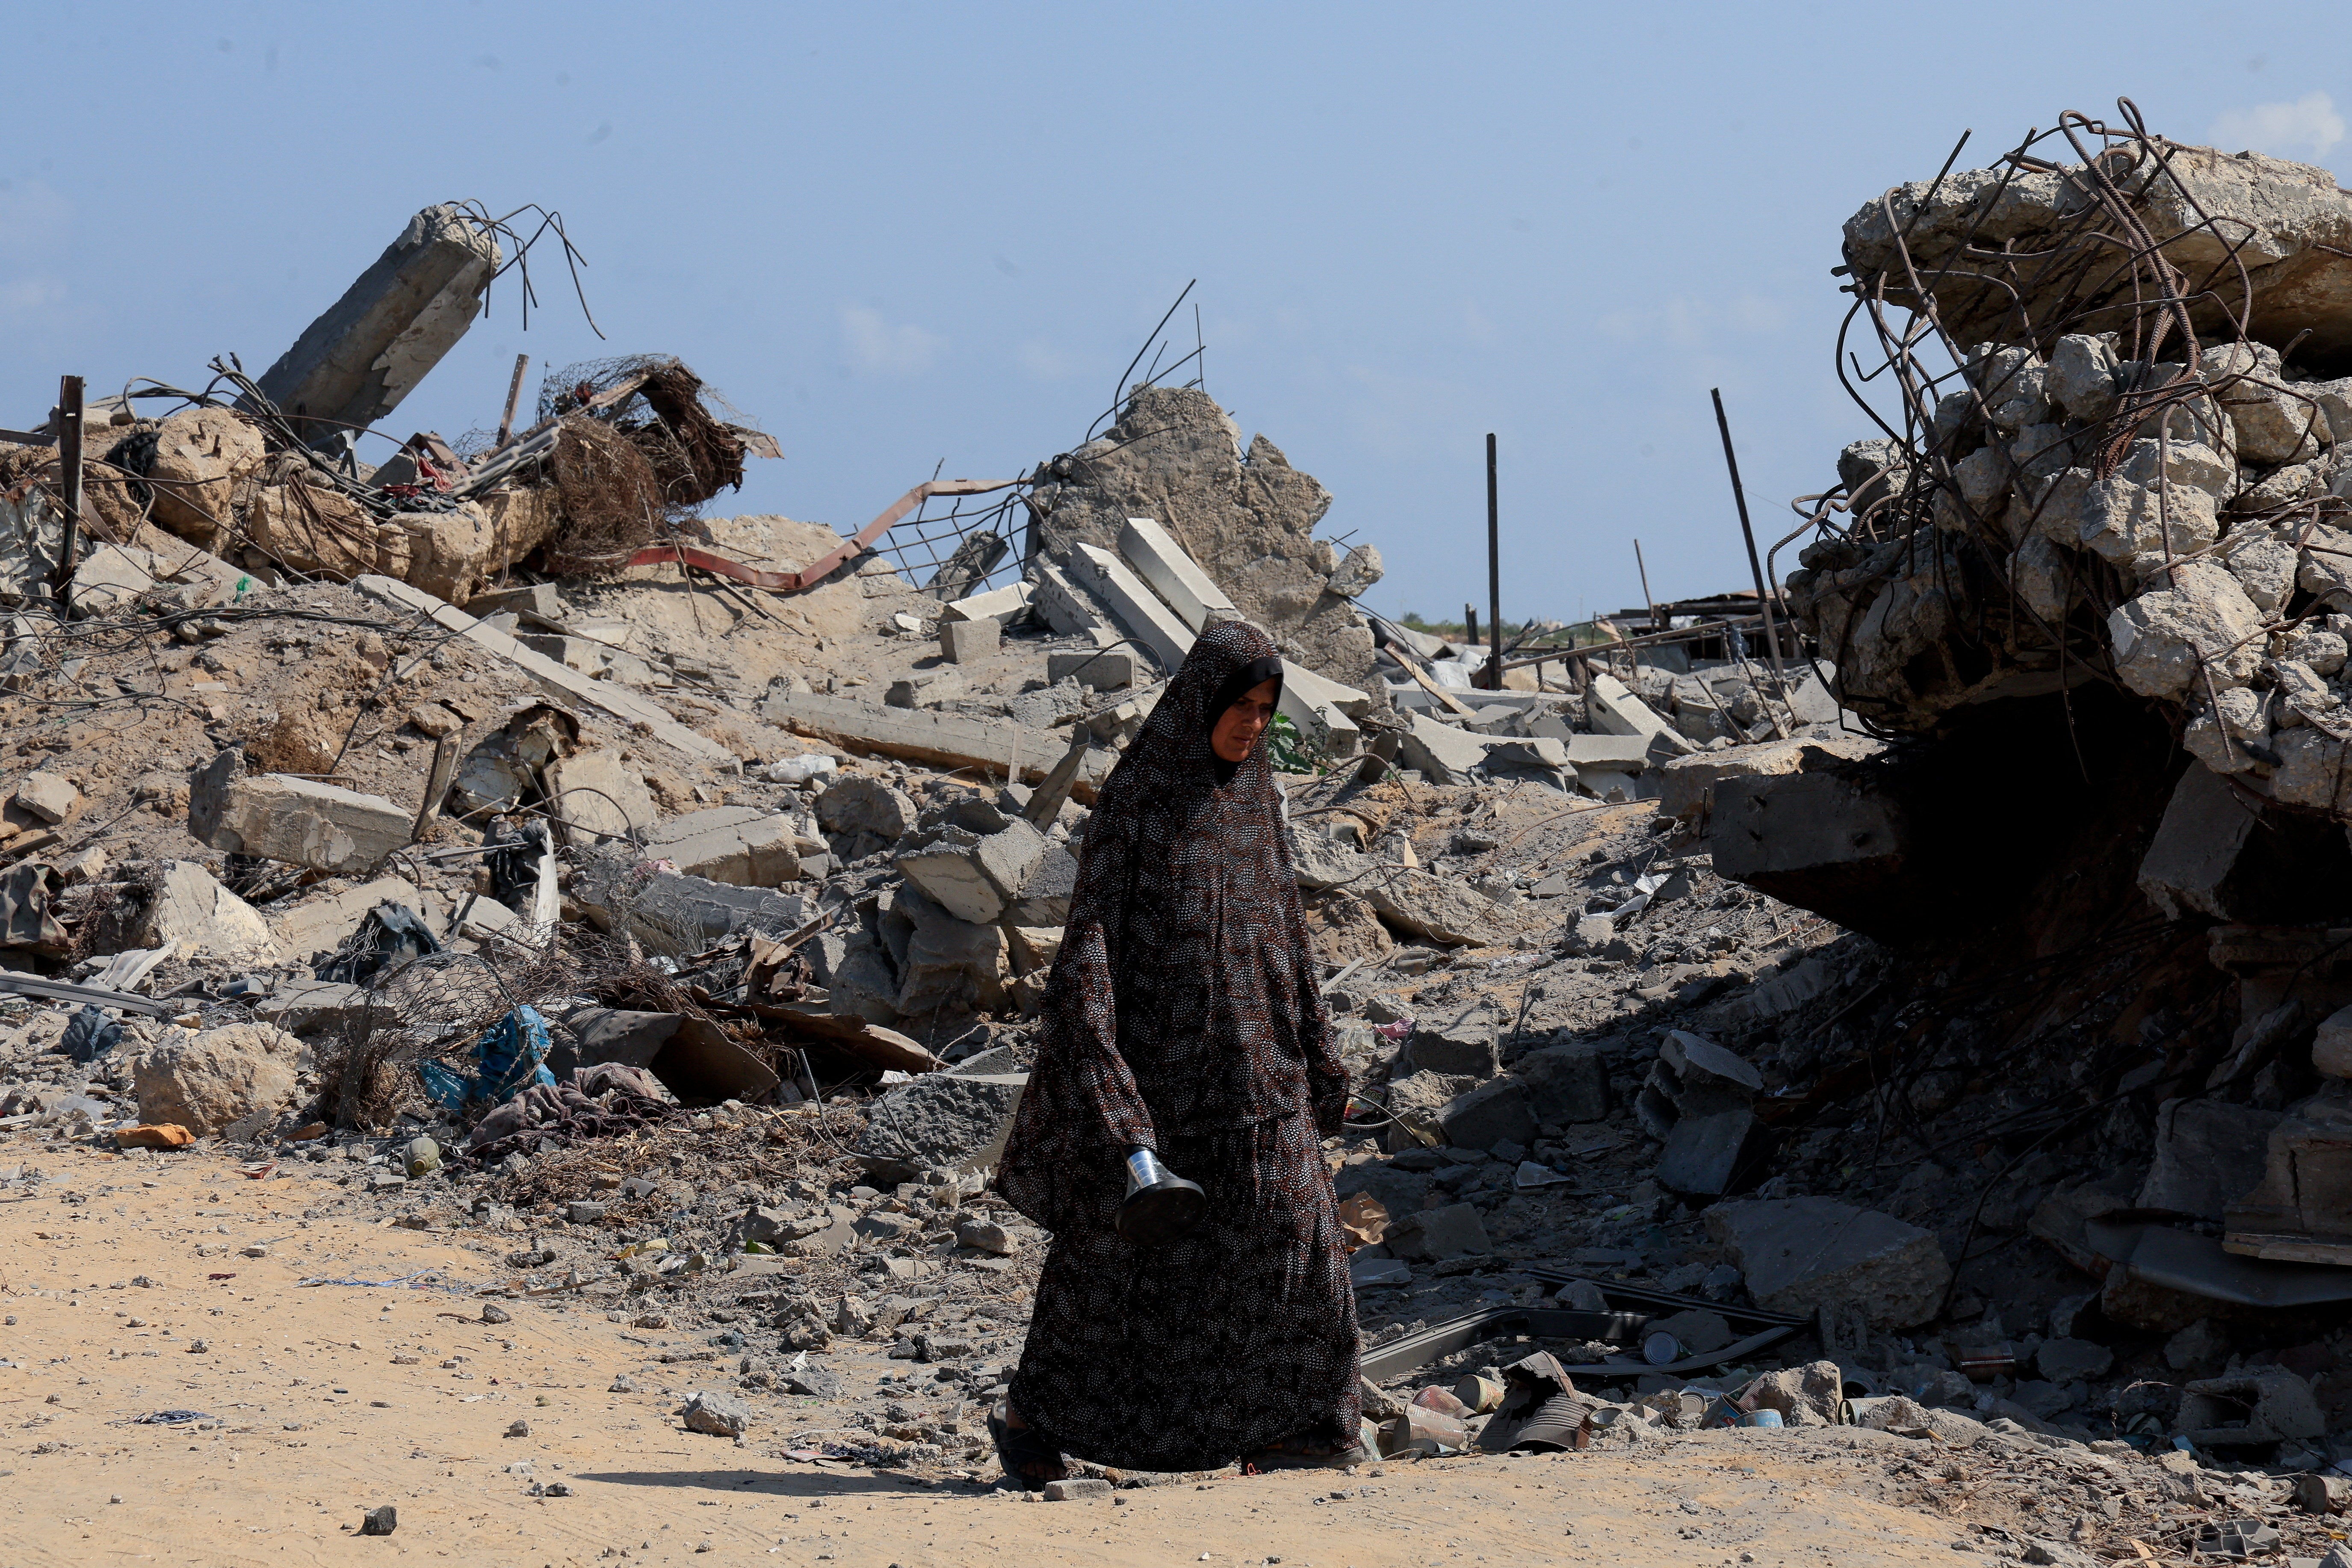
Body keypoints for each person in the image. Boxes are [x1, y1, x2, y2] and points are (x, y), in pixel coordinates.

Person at [989, 618, 1364, 1486]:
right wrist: (1113, 1096)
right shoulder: (1141, 800)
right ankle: (1031, 1419)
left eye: (1268, 709)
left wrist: (1319, 1049)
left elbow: (1286, 937)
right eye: (1240, 705)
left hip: (1260, 1073)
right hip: (1161, 1084)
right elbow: (1088, 948)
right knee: (1112, 1270)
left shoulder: (1256, 799)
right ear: (1200, 700)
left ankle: (1307, 1424)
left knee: (1300, 1242)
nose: (1253, 724)